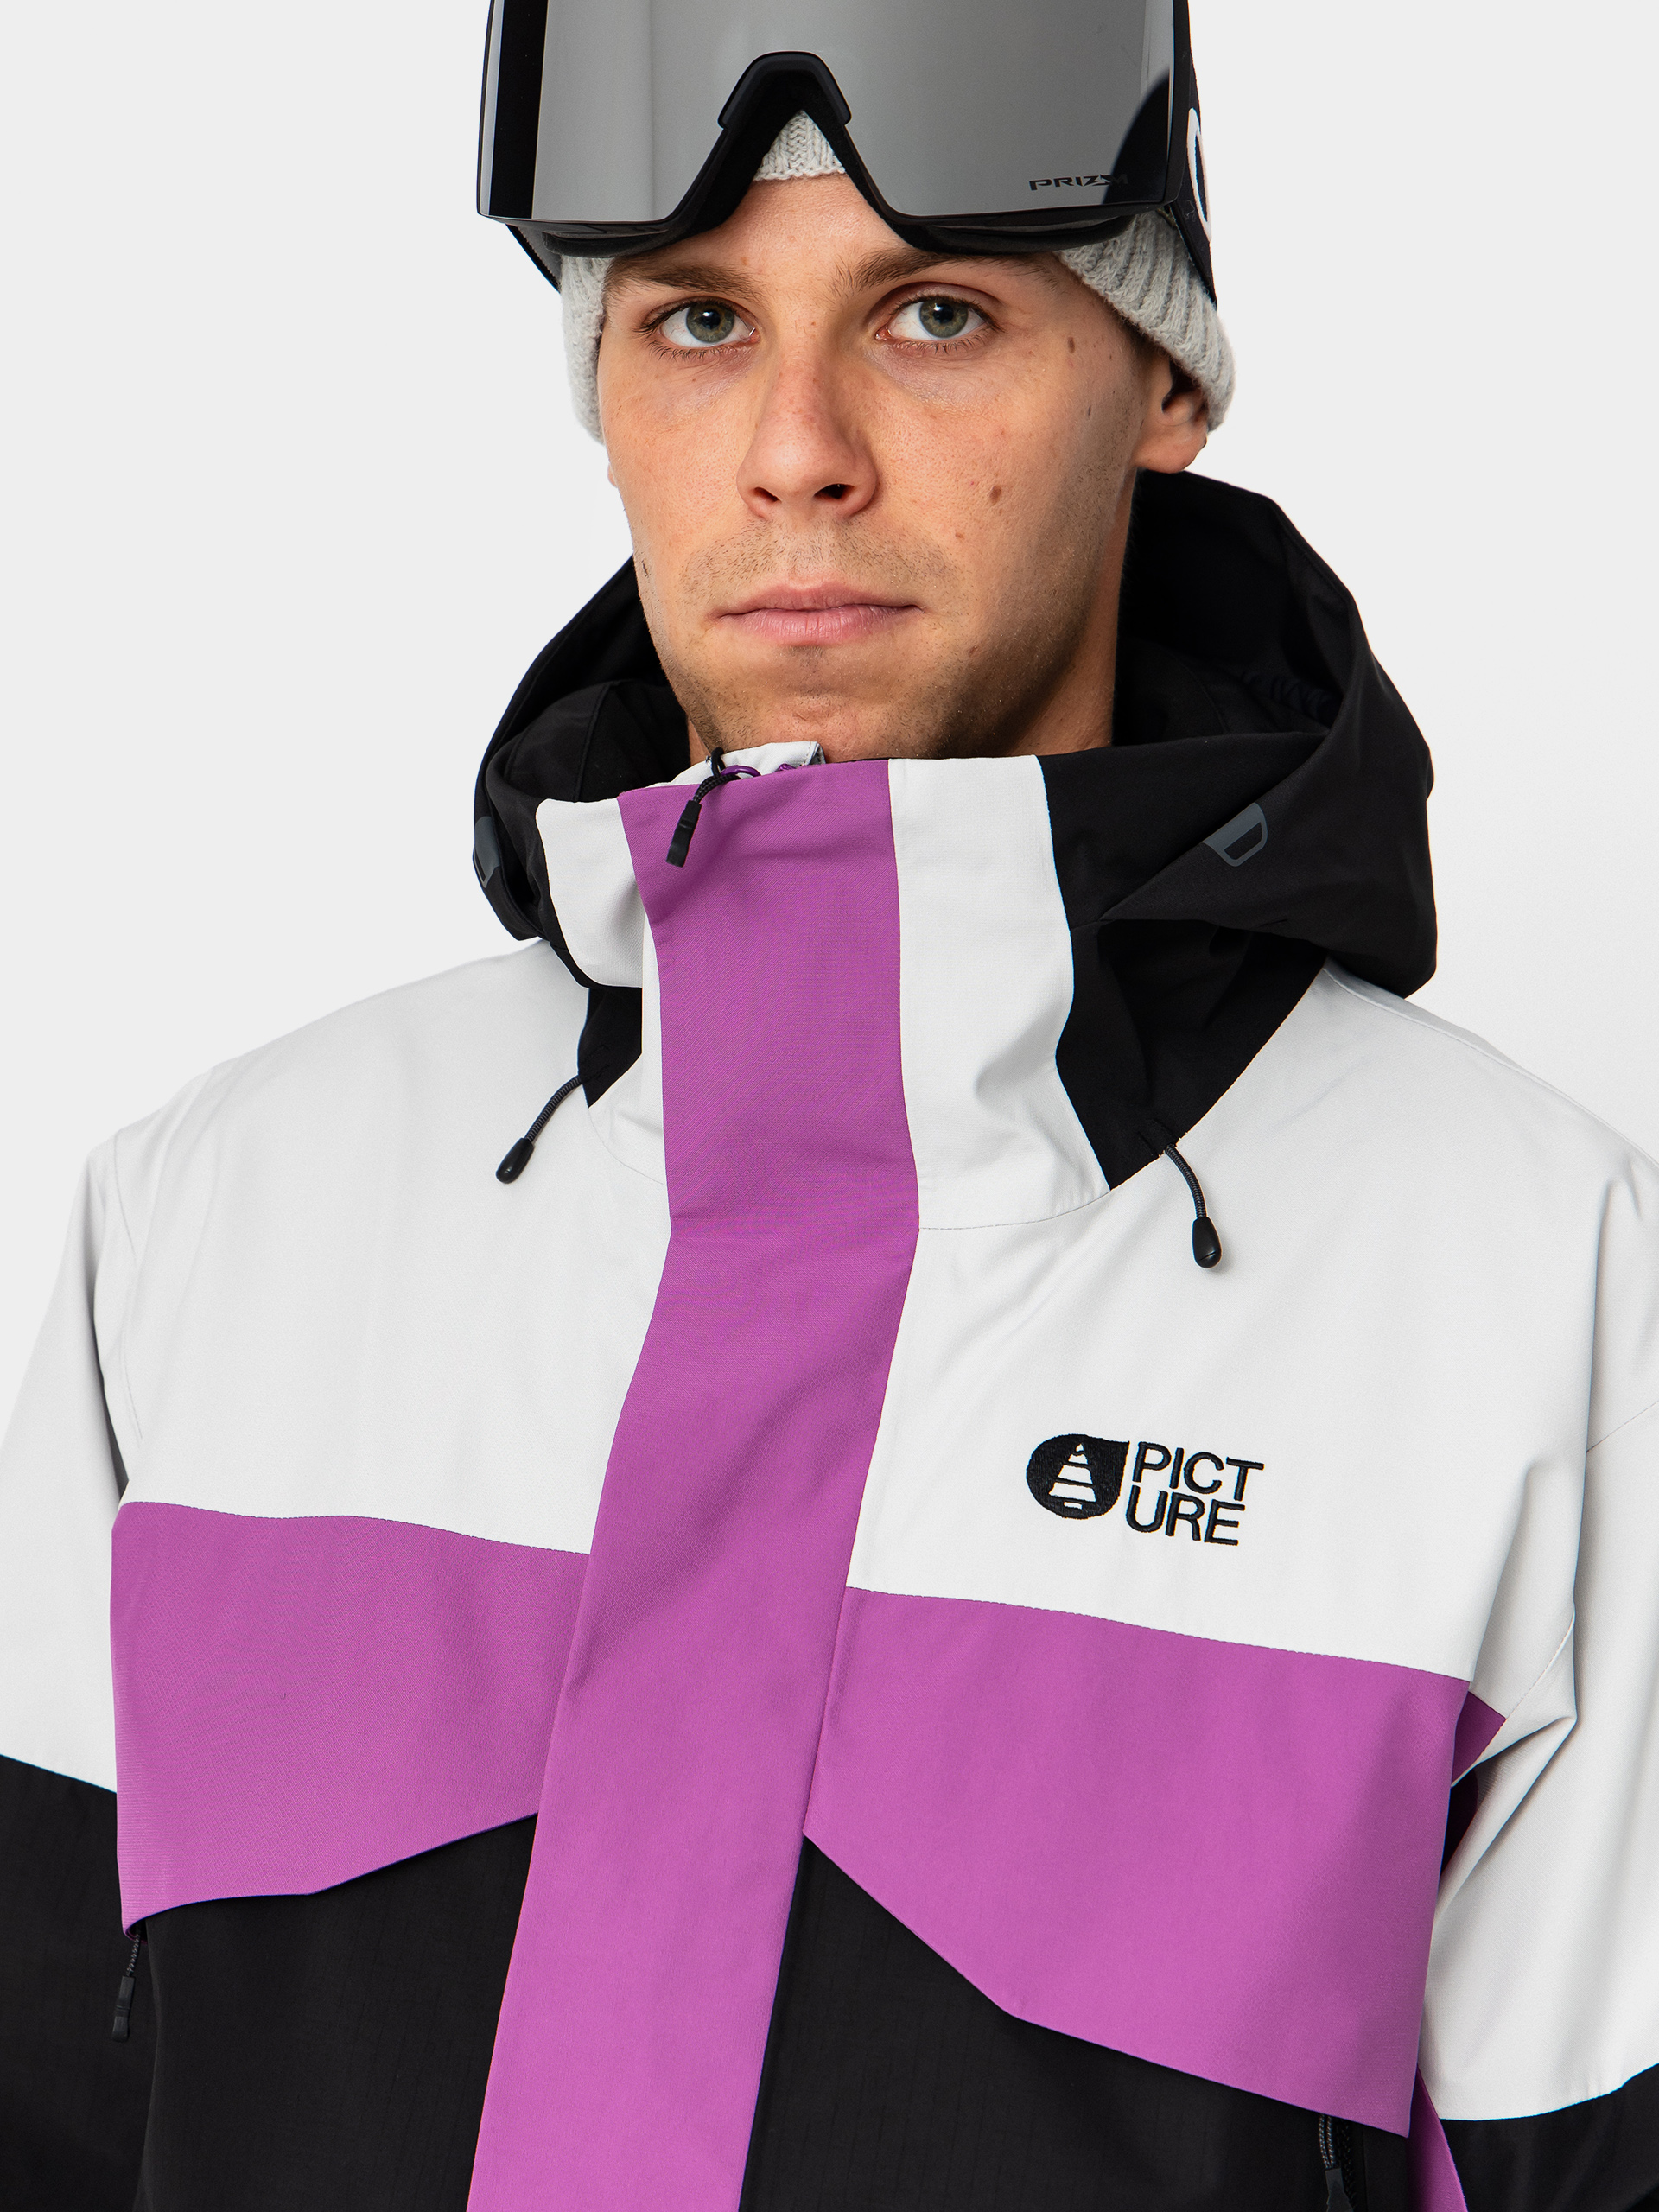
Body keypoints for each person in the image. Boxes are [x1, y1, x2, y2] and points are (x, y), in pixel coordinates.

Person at [2, 5, 1656, 2209]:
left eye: (934, 313)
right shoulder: (215, 1234)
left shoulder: (1525, 1299)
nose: (796, 451)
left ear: (1164, 382)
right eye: (697, 321)